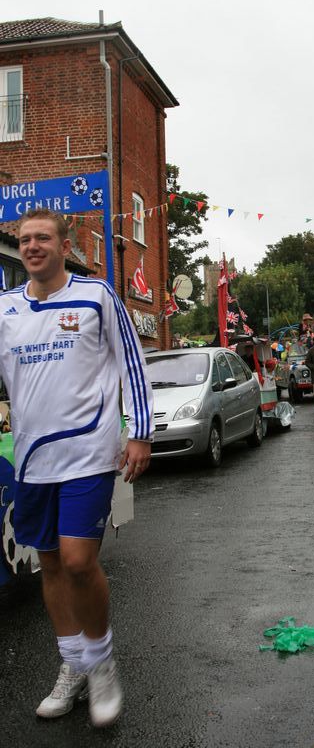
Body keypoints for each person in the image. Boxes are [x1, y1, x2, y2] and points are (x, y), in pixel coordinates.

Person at [3, 209, 154, 728]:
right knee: (49, 564)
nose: (32, 246)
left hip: (89, 452)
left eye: (43, 238)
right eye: (25, 240)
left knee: (77, 561)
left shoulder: (96, 295)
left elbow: (131, 362)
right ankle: (74, 665)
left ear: (64, 246)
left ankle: (102, 661)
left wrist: (140, 432)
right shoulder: (5, 309)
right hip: (31, 458)